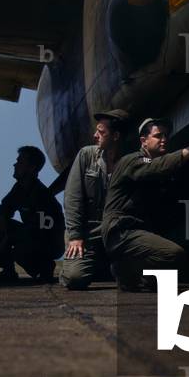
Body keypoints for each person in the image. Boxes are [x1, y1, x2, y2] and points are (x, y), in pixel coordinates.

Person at [101, 118, 189, 291]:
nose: (164, 139)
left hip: (139, 229)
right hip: (121, 230)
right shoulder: (133, 161)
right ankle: (131, 274)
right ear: (144, 141)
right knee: (173, 254)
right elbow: (158, 167)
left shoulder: (153, 167)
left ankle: (135, 269)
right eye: (158, 136)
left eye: (166, 135)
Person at [60, 109, 130, 290]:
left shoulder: (132, 161)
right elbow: (72, 198)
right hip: (88, 231)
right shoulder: (86, 156)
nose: (95, 135)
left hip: (117, 232)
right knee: (75, 278)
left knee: (138, 279)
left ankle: (105, 265)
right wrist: (75, 236)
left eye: (101, 132)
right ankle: (72, 267)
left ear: (116, 136)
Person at [0, 146, 65, 284]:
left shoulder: (41, 196)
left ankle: (45, 267)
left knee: (19, 251)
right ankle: (8, 272)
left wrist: (8, 240)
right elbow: (4, 210)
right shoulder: (19, 188)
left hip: (49, 242)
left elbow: (45, 231)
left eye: (20, 162)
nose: (15, 165)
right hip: (33, 234)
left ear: (32, 168)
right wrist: (4, 224)